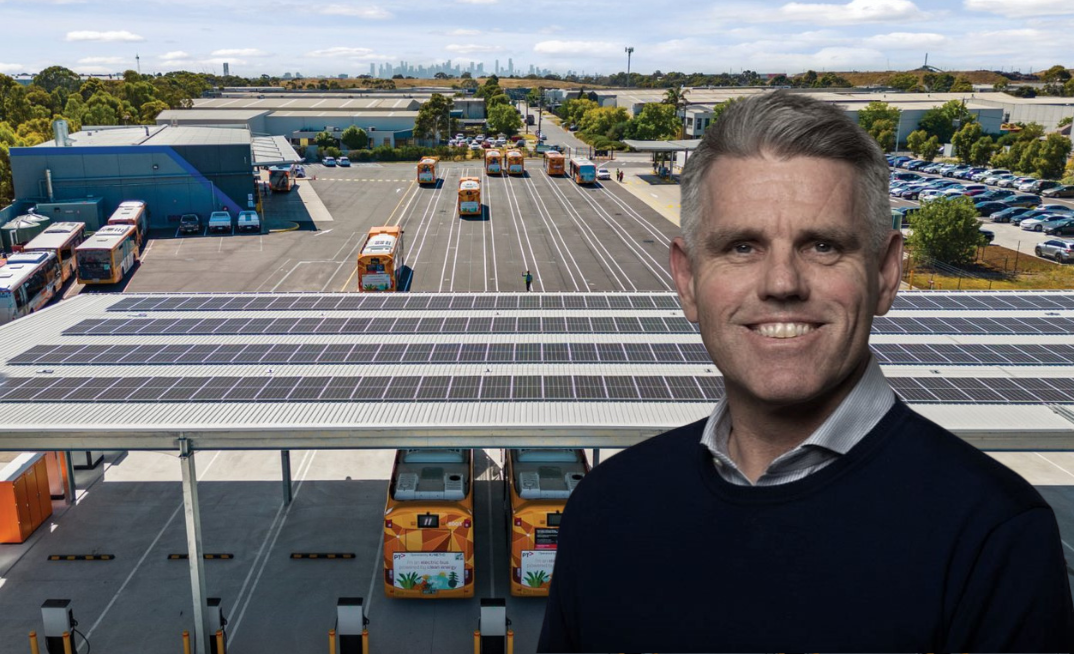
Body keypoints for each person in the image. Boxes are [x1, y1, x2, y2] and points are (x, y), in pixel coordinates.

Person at [538, 91, 1074, 653]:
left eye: (822, 245)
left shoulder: (996, 537)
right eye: (742, 246)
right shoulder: (605, 509)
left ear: (887, 273)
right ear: (688, 280)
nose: (782, 283)